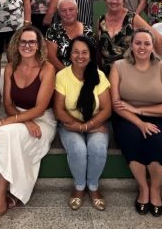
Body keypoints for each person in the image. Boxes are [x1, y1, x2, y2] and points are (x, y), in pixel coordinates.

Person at [0, 26, 57, 226]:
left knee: (4, 133)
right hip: (20, 118)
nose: (27, 45)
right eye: (23, 41)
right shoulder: (10, 68)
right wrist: (23, 120)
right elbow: (7, 105)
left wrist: (6, 121)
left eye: (32, 42)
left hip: (42, 121)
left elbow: (40, 109)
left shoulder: (47, 69)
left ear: (39, 45)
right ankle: (14, 187)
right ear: (17, 43)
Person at [109, 29, 162, 217]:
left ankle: (155, 188)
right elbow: (116, 104)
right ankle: (143, 187)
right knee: (131, 138)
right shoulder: (118, 66)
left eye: (147, 43)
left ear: (153, 46)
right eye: (138, 43)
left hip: (159, 116)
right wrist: (139, 122)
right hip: (126, 116)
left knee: (158, 140)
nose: (142, 47)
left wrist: (139, 110)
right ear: (131, 45)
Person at [52, 36, 112, 211]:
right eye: (76, 52)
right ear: (70, 55)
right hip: (69, 123)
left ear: (91, 56)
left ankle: (93, 187)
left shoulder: (99, 75)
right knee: (78, 148)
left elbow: (106, 110)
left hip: (95, 123)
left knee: (97, 147)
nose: (80, 56)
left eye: (85, 52)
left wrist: (87, 126)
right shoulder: (62, 76)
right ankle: (79, 187)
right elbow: (59, 110)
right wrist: (80, 126)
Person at [97, 0, 162, 75]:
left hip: (129, 73)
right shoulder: (101, 20)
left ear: (123, 0)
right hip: (105, 74)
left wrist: (156, 66)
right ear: (106, 0)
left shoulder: (132, 18)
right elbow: (99, 48)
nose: (114, 1)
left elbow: (158, 39)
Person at [46, 0, 94, 70]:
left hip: (87, 72)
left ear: (77, 10)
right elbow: (51, 57)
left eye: (71, 9)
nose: (68, 13)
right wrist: (67, 73)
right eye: (63, 10)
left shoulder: (88, 29)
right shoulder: (53, 30)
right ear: (59, 13)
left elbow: (93, 54)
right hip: (62, 72)